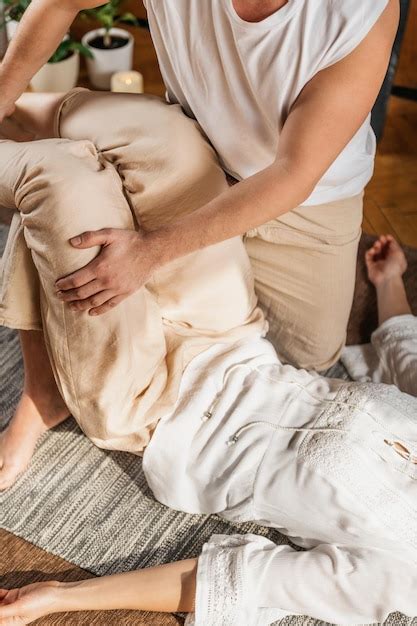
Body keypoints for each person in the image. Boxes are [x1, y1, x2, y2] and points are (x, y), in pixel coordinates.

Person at [0, 91, 417, 625]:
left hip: (152, 402)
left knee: (59, 177)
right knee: (163, 136)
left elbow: (237, 580)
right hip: (228, 334)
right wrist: (389, 282)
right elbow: (405, 347)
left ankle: (47, 389)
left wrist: (59, 597)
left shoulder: (398, 576)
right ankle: (14, 90)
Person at [0, 0, 400, 370]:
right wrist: (4, 91)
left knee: (305, 361)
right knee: (80, 222)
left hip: (310, 199)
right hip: (191, 146)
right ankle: (23, 118)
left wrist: (148, 253)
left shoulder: (363, 10)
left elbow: (293, 173)